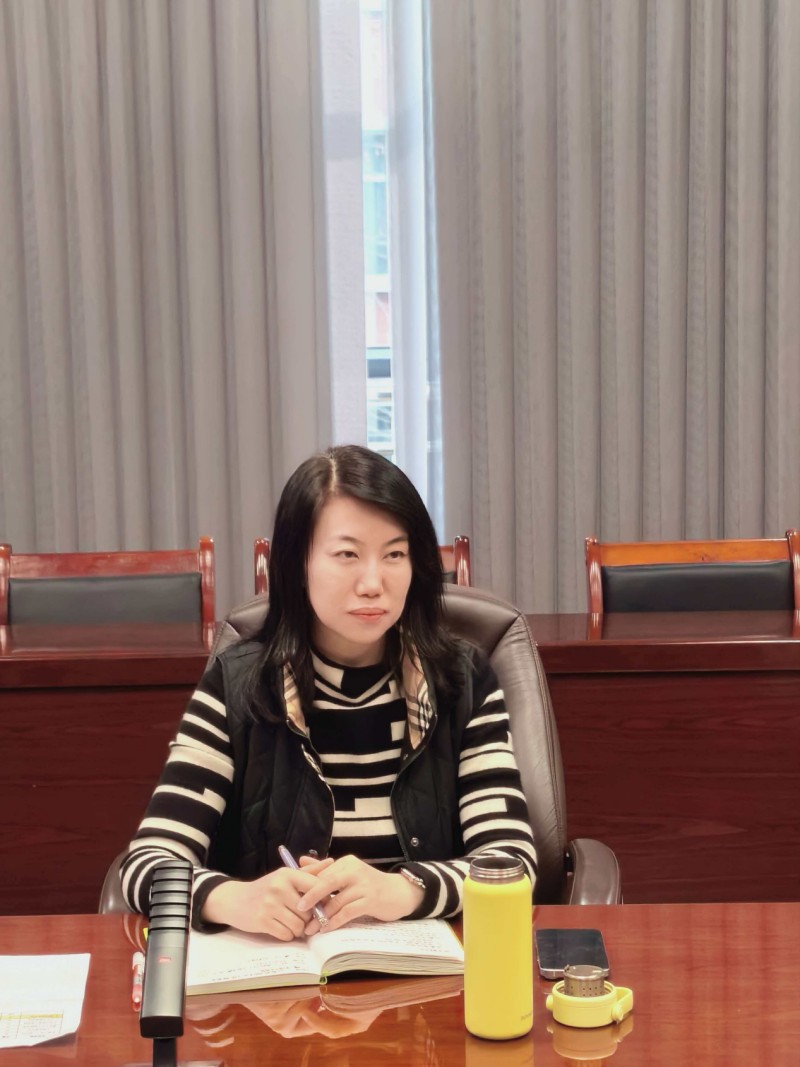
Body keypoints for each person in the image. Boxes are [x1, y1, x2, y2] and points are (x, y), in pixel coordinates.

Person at [121, 445, 536, 938]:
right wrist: (231, 898)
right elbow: (147, 864)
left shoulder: (461, 682)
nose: (373, 583)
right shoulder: (237, 685)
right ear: (297, 564)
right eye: (347, 555)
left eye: (395, 554)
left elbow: (512, 863)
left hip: (430, 975)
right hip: (281, 972)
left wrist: (406, 889)